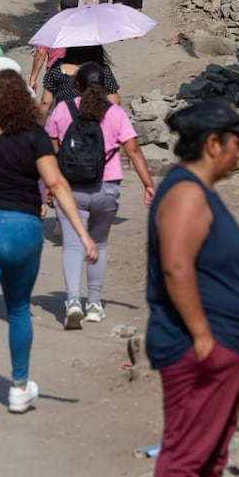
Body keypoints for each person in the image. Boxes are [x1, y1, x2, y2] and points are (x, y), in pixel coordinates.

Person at [0, 68, 98, 431]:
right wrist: (83, 235)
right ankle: (19, 387)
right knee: (18, 309)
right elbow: (55, 183)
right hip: (21, 227)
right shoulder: (33, 134)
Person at [145, 99, 239, 477]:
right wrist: (201, 335)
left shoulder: (200, 191)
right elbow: (176, 267)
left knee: (212, 449)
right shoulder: (185, 194)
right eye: (236, 143)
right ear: (213, 143)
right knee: (188, 448)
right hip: (199, 347)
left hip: (225, 343)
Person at [46, 62, 154, 330]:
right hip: (107, 189)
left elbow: (51, 149)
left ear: (76, 85)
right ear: (105, 87)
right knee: (100, 245)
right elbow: (133, 150)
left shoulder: (63, 109)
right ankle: (94, 304)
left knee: (73, 246)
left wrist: (49, 185)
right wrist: (148, 184)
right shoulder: (115, 113)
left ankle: (73, 301)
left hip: (70, 189)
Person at [39, 45, 120, 123]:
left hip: (65, 120)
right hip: (94, 119)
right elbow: (114, 101)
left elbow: (45, 102)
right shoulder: (101, 70)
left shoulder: (58, 69)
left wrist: (39, 127)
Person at [29, 0, 79, 92]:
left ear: (60, 8)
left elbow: (41, 53)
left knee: (52, 99)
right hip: (78, 72)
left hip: (56, 71)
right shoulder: (82, 27)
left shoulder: (51, 26)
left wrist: (33, 78)